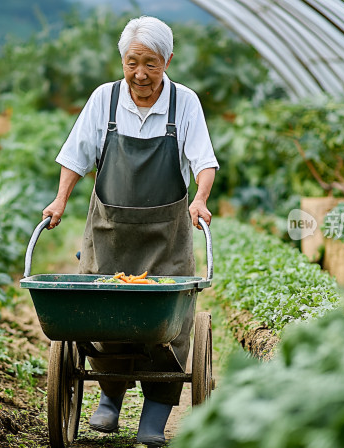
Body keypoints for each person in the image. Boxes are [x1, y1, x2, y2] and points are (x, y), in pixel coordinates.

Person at [41, 16, 218, 447]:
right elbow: (75, 155)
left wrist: (200, 199)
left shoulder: (184, 103)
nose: (140, 73)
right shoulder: (105, 100)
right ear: (122, 60)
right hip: (110, 235)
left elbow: (204, 161)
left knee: (170, 330)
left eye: (151, 64)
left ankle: (155, 417)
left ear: (168, 61)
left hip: (165, 239)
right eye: (132, 62)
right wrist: (61, 199)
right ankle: (110, 401)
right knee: (106, 320)